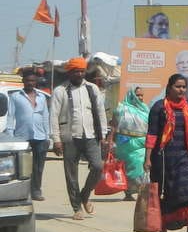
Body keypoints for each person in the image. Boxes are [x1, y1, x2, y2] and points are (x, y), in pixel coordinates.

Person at [144, 74, 188, 232]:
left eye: (184, 87)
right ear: (169, 87)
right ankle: (162, 228)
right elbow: (152, 134)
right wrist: (148, 158)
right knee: (165, 193)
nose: (181, 90)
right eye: (178, 86)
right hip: (163, 159)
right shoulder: (159, 108)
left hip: (186, 156)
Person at [50, 57, 109, 220]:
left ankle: (85, 195)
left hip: (91, 135)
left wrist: (103, 135)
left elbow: (100, 112)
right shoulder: (60, 91)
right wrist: (56, 139)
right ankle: (77, 207)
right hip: (69, 137)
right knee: (71, 174)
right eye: (76, 71)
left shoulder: (92, 89)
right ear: (70, 72)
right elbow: (53, 116)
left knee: (98, 166)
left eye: (82, 71)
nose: (79, 73)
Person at [4, 68, 50, 202]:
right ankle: (22, 190)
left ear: (36, 82)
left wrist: (48, 136)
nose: (30, 83)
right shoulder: (16, 96)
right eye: (28, 81)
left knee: (38, 166)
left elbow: (45, 116)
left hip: (40, 136)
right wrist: (11, 136)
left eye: (33, 81)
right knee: (22, 166)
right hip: (22, 136)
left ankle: (36, 190)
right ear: (23, 81)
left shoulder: (41, 97)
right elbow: (11, 117)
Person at [109, 86, 150, 202]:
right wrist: (110, 140)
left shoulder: (146, 110)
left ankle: (142, 191)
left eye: (142, 95)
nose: (140, 98)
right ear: (131, 95)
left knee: (139, 166)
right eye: (138, 95)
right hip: (124, 144)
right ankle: (128, 192)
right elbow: (114, 125)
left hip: (141, 144)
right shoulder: (121, 109)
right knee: (126, 169)